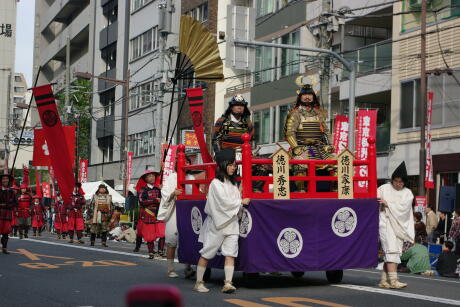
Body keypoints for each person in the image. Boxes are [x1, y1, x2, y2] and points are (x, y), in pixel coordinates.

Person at [194, 148, 250, 294]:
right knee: (207, 253)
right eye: (231, 165)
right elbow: (224, 202)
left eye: (234, 165)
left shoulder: (231, 184)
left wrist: (241, 192)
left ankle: (228, 282)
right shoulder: (215, 184)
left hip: (231, 223)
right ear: (224, 165)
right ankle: (199, 282)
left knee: (230, 253)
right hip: (217, 224)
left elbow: (233, 199)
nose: (233, 168)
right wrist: (240, 202)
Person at [284, 84, 334, 192]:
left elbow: (326, 131)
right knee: (299, 162)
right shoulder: (295, 113)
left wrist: (330, 145)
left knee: (338, 161)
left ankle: (336, 190)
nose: (307, 97)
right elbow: (290, 133)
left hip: (319, 149)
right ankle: (301, 190)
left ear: (313, 97)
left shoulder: (319, 114)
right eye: (304, 95)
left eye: (309, 95)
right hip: (303, 148)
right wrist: (295, 147)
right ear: (300, 97)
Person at [377, 161, 415, 289]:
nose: (398, 184)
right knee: (391, 250)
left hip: (399, 225)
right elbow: (374, 200)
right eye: (396, 181)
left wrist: (388, 204)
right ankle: (394, 280)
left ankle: (383, 280)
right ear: (392, 180)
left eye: (401, 182)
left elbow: (405, 209)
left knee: (393, 252)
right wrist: (380, 203)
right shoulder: (383, 188)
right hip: (385, 223)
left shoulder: (408, 193)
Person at [158, 156, 195, 279]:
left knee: (188, 240)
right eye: (181, 161)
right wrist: (173, 193)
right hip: (174, 210)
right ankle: (170, 268)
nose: (184, 163)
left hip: (187, 210)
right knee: (172, 240)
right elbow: (165, 194)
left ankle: (188, 267)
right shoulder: (170, 178)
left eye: (187, 161)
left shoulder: (191, 177)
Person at [137, 170, 164, 259]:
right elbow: (141, 201)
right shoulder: (143, 189)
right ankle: (151, 252)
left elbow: (164, 200)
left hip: (159, 213)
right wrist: (154, 200)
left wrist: (163, 191)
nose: (152, 177)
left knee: (162, 233)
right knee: (149, 235)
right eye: (149, 176)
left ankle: (160, 251)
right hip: (148, 214)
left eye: (153, 176)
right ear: (145, 179)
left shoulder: (158, 189)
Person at [0, 173, 17, 254]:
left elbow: (15, 203)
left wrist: (7, 205)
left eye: (6, 179)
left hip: (7, 213)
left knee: (6, 232)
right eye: (3, 179)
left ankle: (4, 247)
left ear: (9, 180)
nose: (5, 180)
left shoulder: (12, 192)